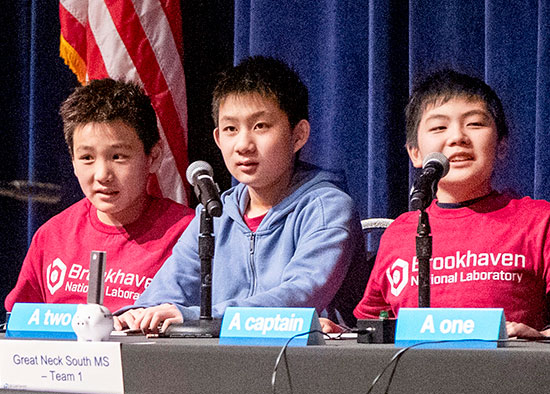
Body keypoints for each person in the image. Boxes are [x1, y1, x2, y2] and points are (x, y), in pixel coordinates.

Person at [114, 55, 367, 332]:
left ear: (298, 135)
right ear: (218, 139)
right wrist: (134, 315)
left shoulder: (327, 207)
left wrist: (199, 316)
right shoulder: (214, 215)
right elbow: (166, 291)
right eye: (231, 129)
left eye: (260, 126)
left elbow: (300, 296)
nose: (243, 144)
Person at [324, 69, 550, 338]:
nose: (457, 137)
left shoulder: (536, 221)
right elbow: (373, 329)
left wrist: (542, 337)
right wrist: (338, 334)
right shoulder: (400, 232)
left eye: (475, 124)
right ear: (415, 153)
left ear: (501, 145)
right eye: (439, 127)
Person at [4, 78, 195, 313]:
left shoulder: (189, 234)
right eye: (87, 158)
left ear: (153, 157)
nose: (102, 175)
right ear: (73, 161)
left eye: (118, 157)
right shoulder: (52, 236)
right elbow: (20, 324)